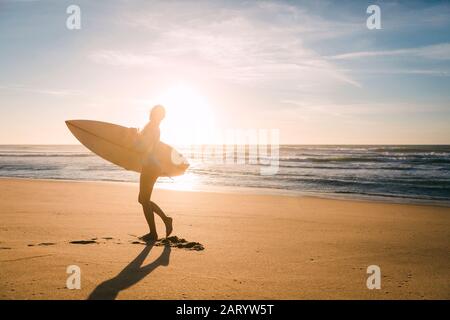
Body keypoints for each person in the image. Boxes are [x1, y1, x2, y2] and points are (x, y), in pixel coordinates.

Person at [136, 105, 173, 241]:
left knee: (144, 200)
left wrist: (135, 136)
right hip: (151, 166)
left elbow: (146, 148)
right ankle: (166, 220)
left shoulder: (153, 127)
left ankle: (153, 233)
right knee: (142, 199)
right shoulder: (154, 127)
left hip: (150, 167)